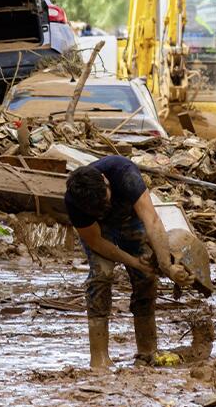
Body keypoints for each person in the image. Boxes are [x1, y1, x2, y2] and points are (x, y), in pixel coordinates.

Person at [65, 156, 193, 370]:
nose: (105, 207)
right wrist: (133, 261)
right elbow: (96, 241)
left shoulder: (124, 174)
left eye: (105, 200)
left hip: (130, 220)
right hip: (100, 232)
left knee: (146, 277)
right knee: (101, 276)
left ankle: (147, 351)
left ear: (106, 180)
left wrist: (166, 265)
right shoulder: (74, 201)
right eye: (98, 208)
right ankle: (99, 359)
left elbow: (151, 220)